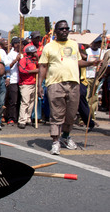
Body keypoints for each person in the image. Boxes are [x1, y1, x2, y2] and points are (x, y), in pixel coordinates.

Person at [38, 20, 99, 155]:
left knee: (71, 114)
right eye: (61, 29)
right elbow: (42, 66)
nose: (65, 31)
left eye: (66, 29)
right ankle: (55, 141)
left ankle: (65, 136)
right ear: (56, 31)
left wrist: (91, 62)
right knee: (56, 114)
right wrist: (40, 84)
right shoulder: (49, 46)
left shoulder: (73, 45)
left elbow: (78, 61)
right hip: (55, 83)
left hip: (73, 83)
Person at [17, 44, 39, 129]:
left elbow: (40, 66)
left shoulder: (34, 60)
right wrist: (33, 71)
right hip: (25, 84)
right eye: (34, 52)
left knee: (31, 102)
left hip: (33, 83)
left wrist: (37, 58)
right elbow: (22, 70)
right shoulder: (23, 60)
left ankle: (27, 118)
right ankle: (22, 120)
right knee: (25, 102)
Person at [5, 37, 21, 125]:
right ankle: (10, 118)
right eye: (18, 43)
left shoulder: (21, 53)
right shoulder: (10, 55)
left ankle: (17, 117)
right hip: (13, 79)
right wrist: (15, 60)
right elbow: (8, 67)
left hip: (21, 80)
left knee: (19, 100)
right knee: (13, 101)